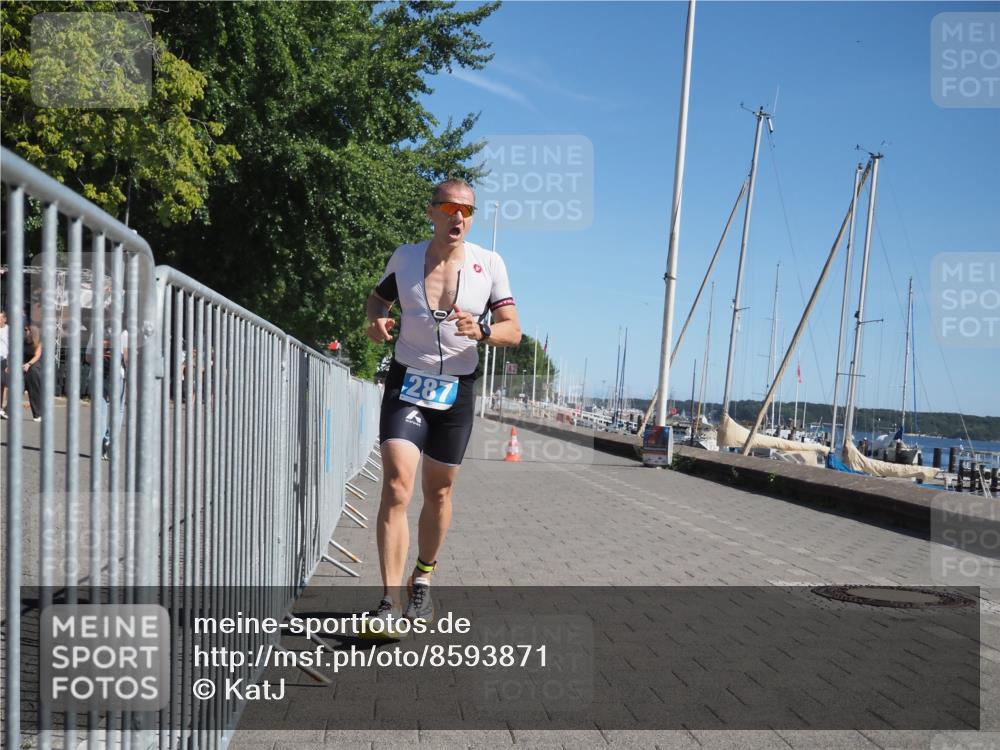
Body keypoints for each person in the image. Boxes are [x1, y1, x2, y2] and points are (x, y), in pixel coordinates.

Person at [365, 178, 520, 635]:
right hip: (407, 381)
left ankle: (423, 578)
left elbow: (513, 329)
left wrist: (484, 331)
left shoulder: (490, 265)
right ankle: (389, 602)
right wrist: (376, 320)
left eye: (467, 210)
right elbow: (378, 298)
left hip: (456, 389)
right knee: (397, 485)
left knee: (439, 492)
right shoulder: (405, 258)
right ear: (431, 211)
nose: (458, 217)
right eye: (450, 208)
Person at [86, 325, 128, 460]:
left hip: (97, 374)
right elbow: (127, 358)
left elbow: (88, 357)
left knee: (100, 410)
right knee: (118, 409)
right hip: (117, 375)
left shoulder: (96, 332)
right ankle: (109, 439)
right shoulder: (123, 333)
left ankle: (100, 448)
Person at [22, 325, 44, 421]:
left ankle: (37, 414)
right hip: (23, 366)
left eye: (26, 330)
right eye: (25, 330)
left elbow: (37, 356)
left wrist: (29, 364)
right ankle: (8, 411)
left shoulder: (38, 342)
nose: (25, 331)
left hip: (33, 367)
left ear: (32, 332)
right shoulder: (23, 342)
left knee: (34, 392)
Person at [0, 310, 8, 419]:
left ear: (5, 319)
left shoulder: (9, 330)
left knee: (3, 385)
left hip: (4, 360)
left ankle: (2, 408)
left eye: (0, 318)